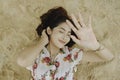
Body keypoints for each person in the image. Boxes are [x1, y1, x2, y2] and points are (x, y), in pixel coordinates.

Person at [17, 7, 114, 80]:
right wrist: (43, 41)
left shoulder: (72, 54)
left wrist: (95, 45)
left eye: (68, 34)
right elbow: (22, 61)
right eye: (61, 31)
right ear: (49, 30)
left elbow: (108, 57)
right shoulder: (36, 52)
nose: (65, 37)